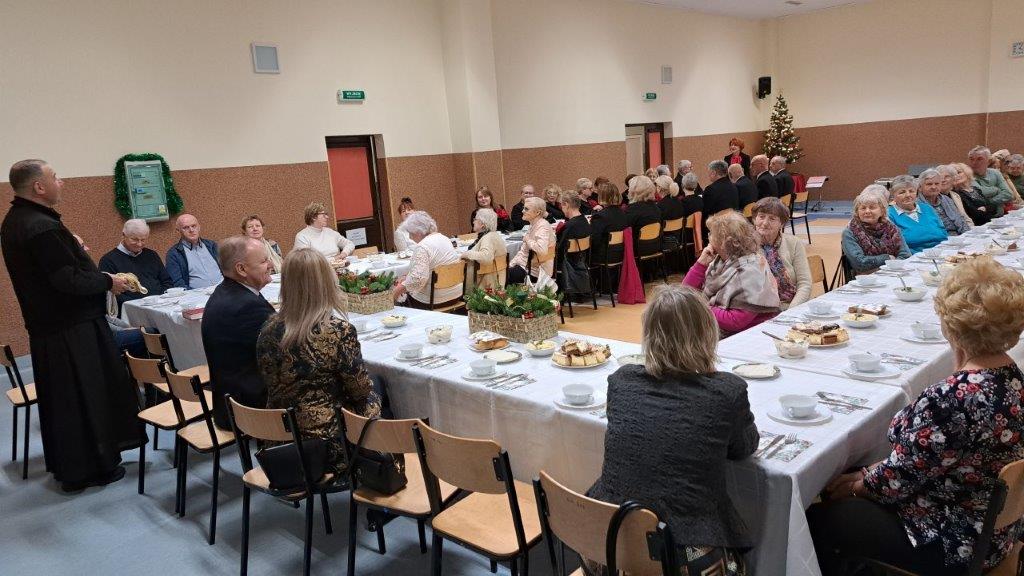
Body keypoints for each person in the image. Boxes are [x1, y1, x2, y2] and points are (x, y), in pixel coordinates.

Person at [808, 258, 1024, 575]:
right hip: (997, 532)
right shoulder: (1014, 377)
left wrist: (857, 485)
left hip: (954, 543)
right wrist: (868, 473)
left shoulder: (950, 399)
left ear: (950, 326)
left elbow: (896, 482)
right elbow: (922, 460)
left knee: (817, 520)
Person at [584, 284, 757, 576]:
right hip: (684, 560)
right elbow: (744, 447)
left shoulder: (622, 381)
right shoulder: (726, 392)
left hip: (607, 549)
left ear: (649, 335)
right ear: (707, 335)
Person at [1, 159, 144, 492]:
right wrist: (107, 281)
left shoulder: (16, 221)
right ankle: (93, 467)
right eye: (55, 177)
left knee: (67, 401)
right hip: (71, 328)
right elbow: (67, 280)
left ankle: (74, 466)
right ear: (39, 186)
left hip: (50, 327)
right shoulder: (41, 227)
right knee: (86, 397)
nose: (61, 182)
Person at [257, 248, 382, 476]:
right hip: (327, 447)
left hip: (280, 442)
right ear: (326, 282)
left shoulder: (267, 329)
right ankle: (381, 471)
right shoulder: (337, 330)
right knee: (378, 390)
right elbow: (360, 390)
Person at [201, 236, 275, 429]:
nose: (270, 265)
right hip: (248, 408)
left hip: (229, 399)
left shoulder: (225, 291)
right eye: (263, 261)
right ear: (241, 269)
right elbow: (284, 350)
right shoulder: (247, 306)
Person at [682, 210, 780, 336]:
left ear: (724, 242)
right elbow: (683, 292)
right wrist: (700, 264)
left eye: (711, 234)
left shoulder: (751, 269)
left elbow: (735, 321)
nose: (709, 237)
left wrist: (698, 306)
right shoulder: (720, 261)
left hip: (748, 335)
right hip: (718, 329)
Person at [99, 218, 174, 311]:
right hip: (131, 310)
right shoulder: (108, 260)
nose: (139, 244)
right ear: (123, 235)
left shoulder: (151, 255)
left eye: (143, 240)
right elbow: (111, 293)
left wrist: (161, 300)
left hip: (160, 306)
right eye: (134, 239)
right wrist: (139, 306)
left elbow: (167, 281)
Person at [392, 211, 462, 307]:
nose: (410, 237)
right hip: (456, 295)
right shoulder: (444, 238)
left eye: (411, 233)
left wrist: (395, 292)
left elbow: (417, 280)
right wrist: (407, 277)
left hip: (435, 300)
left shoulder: (423, 246)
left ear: (418, 232)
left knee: (400, 300)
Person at [752, 197, 811, 309]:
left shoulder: (794, 243)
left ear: (782, 224)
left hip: (793, 306)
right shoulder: (746, 246)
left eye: (772, 219)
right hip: (761, 310)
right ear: (754, 219)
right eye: (761, 217)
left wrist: (791, 311)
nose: (765, 223)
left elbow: (805, 283)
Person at [842, 186, 912, 275]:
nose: (867, 211)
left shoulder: (892, 228)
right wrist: (887, 258)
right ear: (857, 212)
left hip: (894, 273)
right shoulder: (850, 232)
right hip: (866, 278)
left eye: (872, 207)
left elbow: (905, 255)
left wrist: (890, 268)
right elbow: (859, 263)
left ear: (882, 211)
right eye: (863, 208)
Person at [887, 175, 948, 252]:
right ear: (893, 195)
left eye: (911, 191)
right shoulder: (889, 214)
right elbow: (897, 247)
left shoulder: (927, 208)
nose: (908, 195)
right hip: (914, 256)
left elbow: (943, 232)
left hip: (941, 251)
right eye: (902, 192)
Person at [166, 213, 222, 289]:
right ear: (178, 231)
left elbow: (226, 269)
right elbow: (177, 283)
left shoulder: (212, 245)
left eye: (194, 226)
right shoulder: (174, 254)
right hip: (197, 294)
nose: (191, 230)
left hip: (223, 290)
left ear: (199, 227)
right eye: (186, 227)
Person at [507, 197, 555, 284]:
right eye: (523, 208)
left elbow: (542, 250)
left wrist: (528, 240)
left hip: (535, 271)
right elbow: (523, 251)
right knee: (502, 274)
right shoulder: (533, 224)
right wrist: (511, 265)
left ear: (537, 213)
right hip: (526, 266)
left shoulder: (543, 227)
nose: (522, 211)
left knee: (501, 277)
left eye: (526, 209)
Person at [461, 208, 507, 290]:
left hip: (485, 285)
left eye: (475, 219)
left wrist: (467, 254)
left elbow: (486, 257)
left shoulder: (488, 238)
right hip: (496, 280)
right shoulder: (494, 235)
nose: (473, 222)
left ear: (482, 224)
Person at [917, 169, 968, 236]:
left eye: (937, 184)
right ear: (920, 187)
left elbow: (961, 220)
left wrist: (968, 235)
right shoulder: (917, 204)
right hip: (937, 238)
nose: (934, 187)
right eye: (929, 184)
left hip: (958, 236)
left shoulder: (946, 199)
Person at [589, 181, 627, 267]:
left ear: (601, 196)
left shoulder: (600, 216)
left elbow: (594, 240)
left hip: (606, 256)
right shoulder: (623, 213)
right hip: (622, 252)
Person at [968, 146, 1013, 216]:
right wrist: (997, 190)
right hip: (982, 218)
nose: (974, 162)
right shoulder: (967, 175)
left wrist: (988, 202)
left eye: (979, 159)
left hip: (1000, 216)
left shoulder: (995, 173)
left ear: (988, 161)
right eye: (971, 159)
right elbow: (980, 193)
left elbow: (1008, 194)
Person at [624, 176, 662, 246]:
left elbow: (624, 229)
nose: (628, 190)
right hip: (655, 245)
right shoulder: (656, 207)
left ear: (634, 191)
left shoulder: (632, 210)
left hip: (637, 248)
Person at [555, 190, 592, 261]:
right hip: (581, 261)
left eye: (561, 205)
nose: (561, 208)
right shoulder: (585, 221)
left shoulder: (569, 226)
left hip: (568, 263)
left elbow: (560, 251)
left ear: (566, 204)